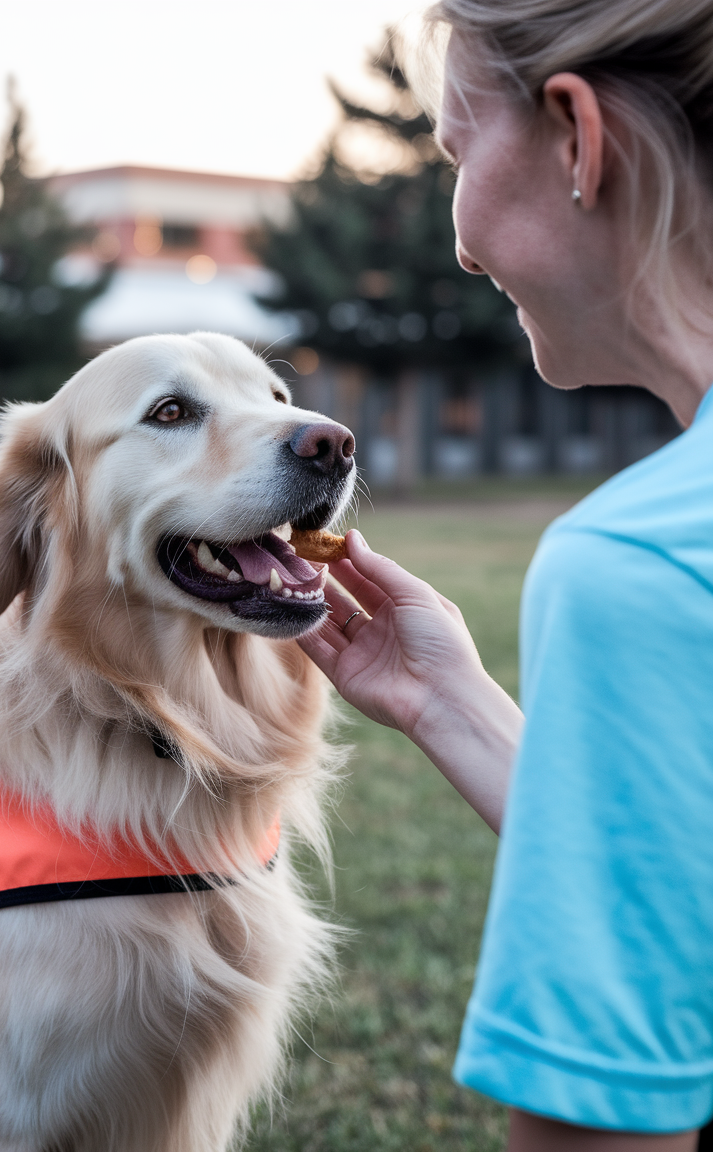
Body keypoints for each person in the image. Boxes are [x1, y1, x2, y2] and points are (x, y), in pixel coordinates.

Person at [298, 2, 713, 1149]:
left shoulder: (638, 564)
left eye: (457, 154)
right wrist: (453, 705)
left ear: (578, 138)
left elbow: (609, 1122)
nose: (461, 245)